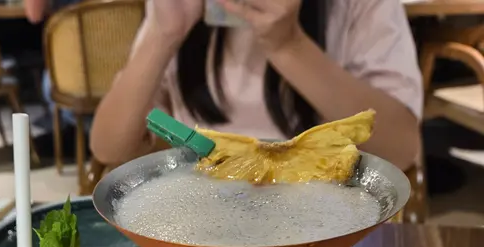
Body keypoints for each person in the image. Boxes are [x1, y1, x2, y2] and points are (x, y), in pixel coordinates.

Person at [91, 0, 422, 171]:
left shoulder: (357, 7)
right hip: (201, 216)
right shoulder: (180, 13)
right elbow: (109, 147)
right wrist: (165, 33)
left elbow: (401, 148)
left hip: (323, 222)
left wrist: (288, 46)